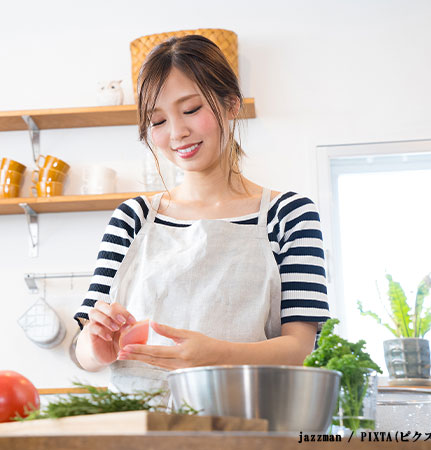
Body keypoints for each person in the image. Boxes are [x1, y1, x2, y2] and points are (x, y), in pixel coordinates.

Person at [73, 35, 330, 394]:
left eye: (191, 109)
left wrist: (218, 355)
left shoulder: (288, 215)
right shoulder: (132, 218)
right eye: (158, 120)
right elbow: (83, 346)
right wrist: (97, 347)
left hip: (249, 423)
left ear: (231, 104)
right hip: (139, 428)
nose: (177, 133)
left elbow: (302, 350)